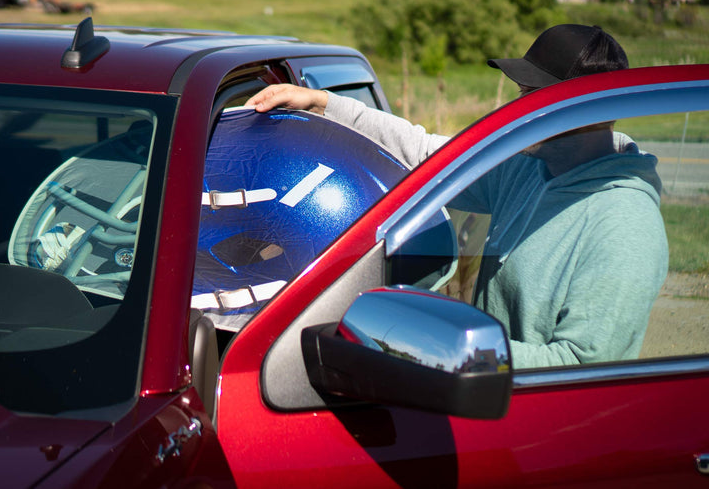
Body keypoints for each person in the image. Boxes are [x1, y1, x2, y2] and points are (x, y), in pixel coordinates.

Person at [245, 24, 669, 369]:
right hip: (480, 400)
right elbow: (428, 156)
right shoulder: (528, 165)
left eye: (538, 94)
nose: (520, 107)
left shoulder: (624, 225)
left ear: (593, 111)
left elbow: (582, 367)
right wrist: (325, 105)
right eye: (523, 90)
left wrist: (438, 349)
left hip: (539, 431)